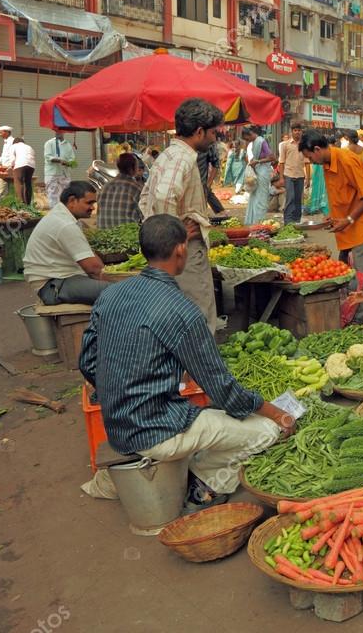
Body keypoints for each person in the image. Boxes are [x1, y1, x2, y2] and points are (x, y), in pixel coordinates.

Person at [79, 214, 292, 506]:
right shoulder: (182, 310)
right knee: (266, 431)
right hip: (156, 431)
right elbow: (221, 388)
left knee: (213, 419)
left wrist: (120, 392)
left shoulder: (111, 294)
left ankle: (185, 465)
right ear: (181, 250)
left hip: (117, 426)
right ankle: (203, 485)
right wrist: (275, 412)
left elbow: (87, 362)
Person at [139, 98, 223, 333]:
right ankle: (200, 366)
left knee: (177, 312)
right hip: (183, 249)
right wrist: (175, 236)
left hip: (172, 249)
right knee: (198, 313)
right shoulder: (182, 158)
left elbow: (145, 198)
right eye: (213, 132)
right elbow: (164, 196)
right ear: (199, 132)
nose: (215, 138)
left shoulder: (167, 155)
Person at [298, 130, 363, 324]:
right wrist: (333, 216)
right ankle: (352, 314)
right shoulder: (328, 164)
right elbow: (342, 194)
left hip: (361, 223)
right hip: (346, 224)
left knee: (361, 275)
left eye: (309, 157)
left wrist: (349, 219)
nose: (310, 162)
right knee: (347, 272)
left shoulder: (347, 160)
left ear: (317, 149)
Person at [24, 181, 111, 305]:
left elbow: (90, 256)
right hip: (53, 286)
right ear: (72, 201)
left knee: (118, 289)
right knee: (119, 292)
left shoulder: (62, 216)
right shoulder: (65, 224)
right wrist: (117, 282)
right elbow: (94, 268)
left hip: (61, 279)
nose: (93, 207)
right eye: (89, 203)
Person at [97, 153, 144, 229]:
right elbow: (144, 214)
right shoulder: (136, 188)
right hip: (125, 236)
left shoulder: (105, 187)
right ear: (133, 168)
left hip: (102, 234)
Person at [242, 125, 274, 225]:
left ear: (250, 134)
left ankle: (259, 222)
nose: (248, 141)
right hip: (258, 170)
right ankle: (255, 222)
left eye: (247, 138)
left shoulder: (261, 141)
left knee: (261, 198)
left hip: (263, 171)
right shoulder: (255, 142)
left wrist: (258, 161)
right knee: (255, 196)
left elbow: (272, 157)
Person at [279, 123, 307, 224]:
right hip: (288, 175)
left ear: (301, 132)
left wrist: (307, 178)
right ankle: (287, 221)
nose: (297, 132)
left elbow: (307, 162)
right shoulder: (285, 145)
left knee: (298, 199)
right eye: (295, 130)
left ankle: (297, 220)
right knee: (290, 198)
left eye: (299, 130)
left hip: (300, 175)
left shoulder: (304, 145)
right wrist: (281, 177)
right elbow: (281, 162)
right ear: (292, 132)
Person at [43, 130, 76, 209]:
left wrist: (69, 163)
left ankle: (64, 212)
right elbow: (48, 157)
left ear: (63, 132)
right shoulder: (49, 143)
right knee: (53, 195)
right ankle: (54, 213)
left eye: (60, 131)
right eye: (56, 131)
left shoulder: (67, 145)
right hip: (52, 174)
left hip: (64, 174)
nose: (58, 133)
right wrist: (59, 160)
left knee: (65, 194)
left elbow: (72, 160)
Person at [11, 137, 36, 205]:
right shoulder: (29, 146)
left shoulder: (14, 146)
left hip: (20, 164)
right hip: (31, 166)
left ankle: (21, 203)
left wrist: (11, 166)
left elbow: (12, 159)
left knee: (19, 183)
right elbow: (33, 155)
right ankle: (28, 203)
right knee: (28, 183)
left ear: (15, 142)